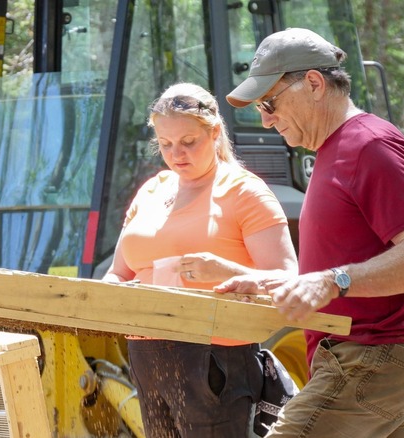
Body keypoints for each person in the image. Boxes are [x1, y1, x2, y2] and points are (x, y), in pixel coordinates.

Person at [216, 28, 404, 438]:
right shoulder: (333, 152)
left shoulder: (371, 144)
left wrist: (331, 281)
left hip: (373, 356)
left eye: (269, 103)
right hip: (368, 361)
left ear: (315, 84)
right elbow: (340, 267)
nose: (266, 120)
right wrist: (273, 282)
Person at [103, 82, 298, 437]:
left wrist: (229, 271)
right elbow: (118, 272)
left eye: (188, 142)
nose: (176, 154)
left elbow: (288, 275)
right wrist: (108, 292)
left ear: (214, 133)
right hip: (147, 355)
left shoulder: (244, 191)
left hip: (213, 360)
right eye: (165, 144)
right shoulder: (151, 190)